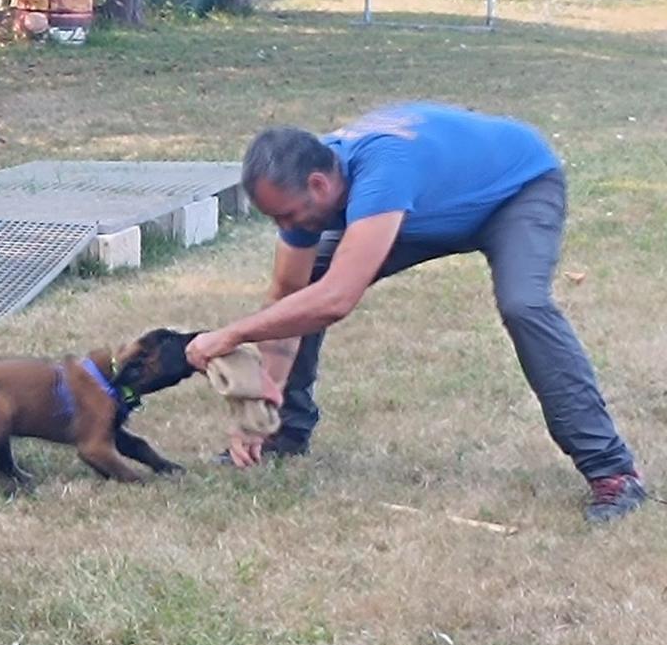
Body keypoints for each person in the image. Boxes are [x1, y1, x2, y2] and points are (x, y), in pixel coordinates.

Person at [186, 103, 646, 524]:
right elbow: (289, 295)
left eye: (287, 216)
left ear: (319, 185)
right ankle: (285, 433)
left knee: (524, 304)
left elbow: (336, 299)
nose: (285, 230)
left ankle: (614, 473)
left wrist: (229, 335)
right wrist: (260, 411)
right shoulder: (307, 180)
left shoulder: (384, 171)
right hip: (424, 210)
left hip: (516, 190)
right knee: (303, 290)